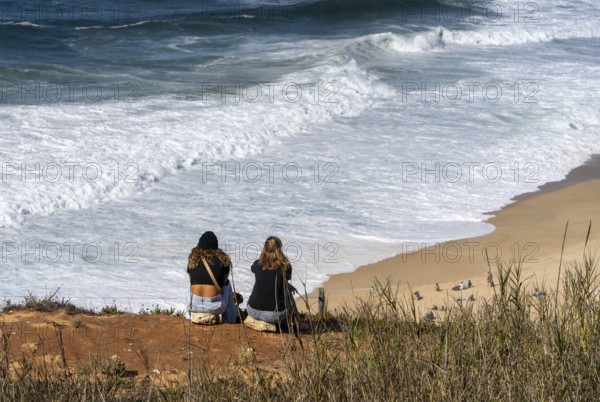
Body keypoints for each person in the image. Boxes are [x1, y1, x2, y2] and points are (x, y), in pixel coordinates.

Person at [247, 236, 299, 329]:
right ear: (279, 249)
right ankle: (290, 323)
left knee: (261, 285)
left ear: (265, 248)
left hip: (252, 311)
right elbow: (281, 278)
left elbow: (266, 276)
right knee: (287, 291)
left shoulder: (257, 264)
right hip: (273, 316)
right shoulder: (285, 266)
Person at [187, 231, 238, 324]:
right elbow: (223, 283)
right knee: (227, 285)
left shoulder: (192, 259)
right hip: (214, 307)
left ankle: (189, 317)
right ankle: (230, 321)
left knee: (192, 284)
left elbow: (191, 278)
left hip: (193, 305)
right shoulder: (223, 260)